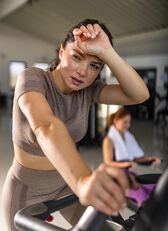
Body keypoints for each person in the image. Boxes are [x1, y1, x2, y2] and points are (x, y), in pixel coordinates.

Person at [2, 19, 149, 231]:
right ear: (62, 52)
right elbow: (47, 126)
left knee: (107, 227)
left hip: (64, 183)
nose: (82, 72)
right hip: (27, 189)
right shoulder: (33, 78)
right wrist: (82, 181)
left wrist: (107, 52)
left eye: (94, 66)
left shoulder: (88, 90)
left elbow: (140, 95)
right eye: (77, 57)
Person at [102, 107, 162, 206]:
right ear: (116, 121)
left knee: (154, 191)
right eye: (125, 122)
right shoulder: (108, 140)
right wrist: (127, 163)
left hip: (129, 174)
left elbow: (135, 158)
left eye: (129, 122)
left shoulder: (129, 136)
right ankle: (144, 220)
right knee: (140, 194)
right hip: (115, 175)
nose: (128, 125)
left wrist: (150, 159)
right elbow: (108, 162)